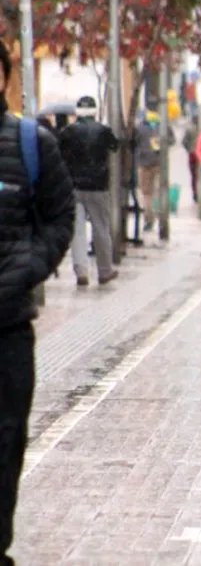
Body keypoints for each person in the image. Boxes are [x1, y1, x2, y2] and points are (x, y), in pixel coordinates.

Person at [0, 40, 75, 565]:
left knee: (4, 448)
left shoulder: (32, 143)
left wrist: (27, 268)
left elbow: (59, 218)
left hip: (7, 328)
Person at [57, 96, 119, 286]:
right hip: (98, 187)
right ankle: (104, 271)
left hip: (73, 187)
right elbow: (115, 146)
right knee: (101, 228)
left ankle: (81, 272)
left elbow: (59, 152)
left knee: (77, 231)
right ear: (94, 112)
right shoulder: (104, 131)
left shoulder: (68, 132)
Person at [134, 99, 175, 233]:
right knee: (154, 193)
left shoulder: (141, 126)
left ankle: (150, 220)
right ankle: (156, 220)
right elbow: (172, 140)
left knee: (148, 194)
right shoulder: (162, 124)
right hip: (156, 162)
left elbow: (133, 143)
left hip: (147, 163)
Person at [181, 127, 199, 205]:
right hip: (200, 155)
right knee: (196, 176)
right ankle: (197, 193)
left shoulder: (190, 128)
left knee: (194, 176)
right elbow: (184, 141)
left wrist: (190, 149)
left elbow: (184, 141)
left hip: (193, 154)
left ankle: (196, 194)